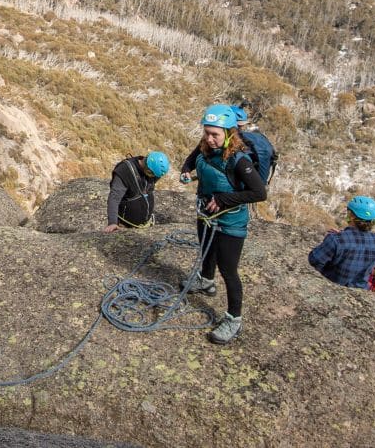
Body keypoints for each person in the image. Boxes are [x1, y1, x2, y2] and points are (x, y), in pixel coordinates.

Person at [178, 104, 267, 345]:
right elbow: (192, 159)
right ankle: (206, 281)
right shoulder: (205, 146)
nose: (210, 138)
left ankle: (233, 319)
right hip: (206, 213)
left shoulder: (239, 160)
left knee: (228, 270)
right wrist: (186, 170)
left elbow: (259, 192)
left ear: (229, 133)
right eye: (207, 133)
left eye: (215, 134)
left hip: (230, 222)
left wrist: (223, 199)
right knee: (206, 250)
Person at [307, 196, 375, 289]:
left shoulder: (336, 239)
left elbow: (314, 260)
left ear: (351, 216)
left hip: (332, 285)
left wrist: (339, 238)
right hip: (361, 289)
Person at [103, 150, 170, 232]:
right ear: (148, 169)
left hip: (147, 224)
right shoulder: (125, 171)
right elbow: (114, 198)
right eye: (153, 175)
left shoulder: (152, 172)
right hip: (125, 226)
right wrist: (112, 222)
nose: (154, 178)